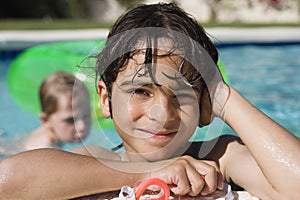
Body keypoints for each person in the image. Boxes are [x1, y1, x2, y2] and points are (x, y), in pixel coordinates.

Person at [0, 3, 299, 200]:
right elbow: (8, 181)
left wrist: (223, 96)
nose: (162, 113)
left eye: (183, 94)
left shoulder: (222, 157)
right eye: (141, 91)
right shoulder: (91, 162)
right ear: (105, 100)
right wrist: (150, 173)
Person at [24, 71, 91, 150]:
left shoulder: (54, 133)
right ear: (45, 120)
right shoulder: (45, 152)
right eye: (71, 120)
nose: (82, 126)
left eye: (86, 115)